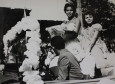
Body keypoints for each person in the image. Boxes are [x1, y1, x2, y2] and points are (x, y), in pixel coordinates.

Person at [79, 11, 112, 78]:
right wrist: (82, 49)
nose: (88, 19)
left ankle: (99, 78)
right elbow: (83, 40)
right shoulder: (84, 29)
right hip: (87, 46)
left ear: (93, 18)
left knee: (97, 65)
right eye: (86, 18)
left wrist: (89, 49)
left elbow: (94, 39)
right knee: (90, 66)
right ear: (84, 19)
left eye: (90, 17)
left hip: (95, 46)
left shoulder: (96, 26)